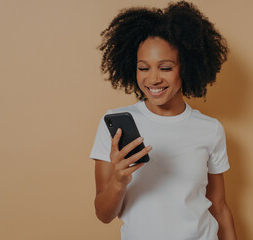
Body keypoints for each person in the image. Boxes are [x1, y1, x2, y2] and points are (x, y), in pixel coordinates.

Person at [89, 1, 237, 239]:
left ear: (186, 68)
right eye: (143, 68)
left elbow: (219, 206)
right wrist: (119, 180)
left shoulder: (210, 129)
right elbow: (103, 215)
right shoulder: (114, 126)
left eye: (166, 67)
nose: (153, 79)